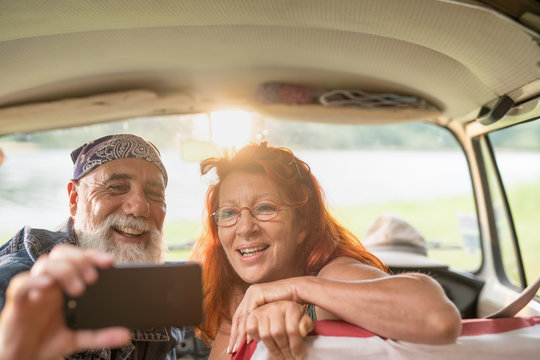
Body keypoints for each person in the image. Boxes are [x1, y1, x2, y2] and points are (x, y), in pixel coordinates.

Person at [191, 142, 462, 360]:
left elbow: (437, 318)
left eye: (265, 208)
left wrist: (298, 289)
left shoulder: (332, 273)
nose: (244, 228)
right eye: (228, 213)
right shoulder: (233, 291)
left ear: (303, 226)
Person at [0, 134, 180, 360]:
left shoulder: (162, 298)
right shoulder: (20, 289)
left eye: (154, 194)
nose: (139, 207)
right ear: (74, 199)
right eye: (116, 187)